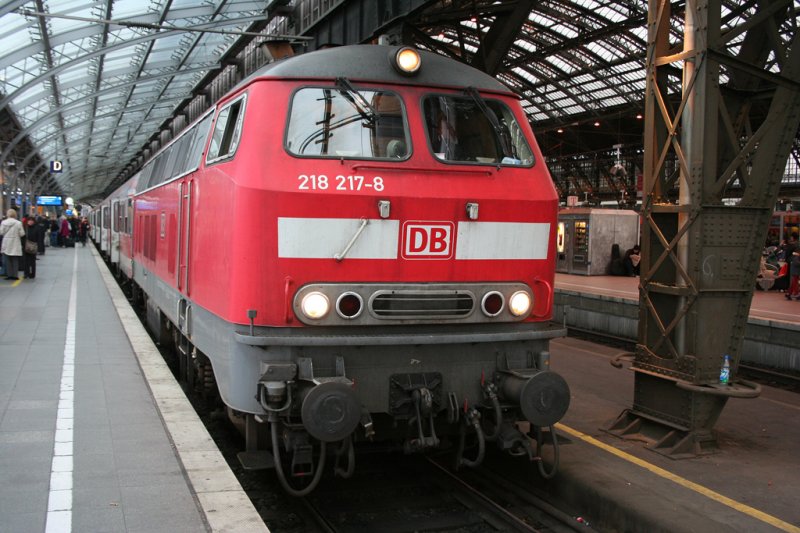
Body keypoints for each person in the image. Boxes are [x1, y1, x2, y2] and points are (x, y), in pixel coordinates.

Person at [0, 209, 25, 280]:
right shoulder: (18, 223)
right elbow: (22, 233)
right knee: (15, 260)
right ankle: (15, 275)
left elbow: (1, 232)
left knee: (7, 259)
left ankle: (9, 275)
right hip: (15, 241)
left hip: (6, 241)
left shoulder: (3, 222)